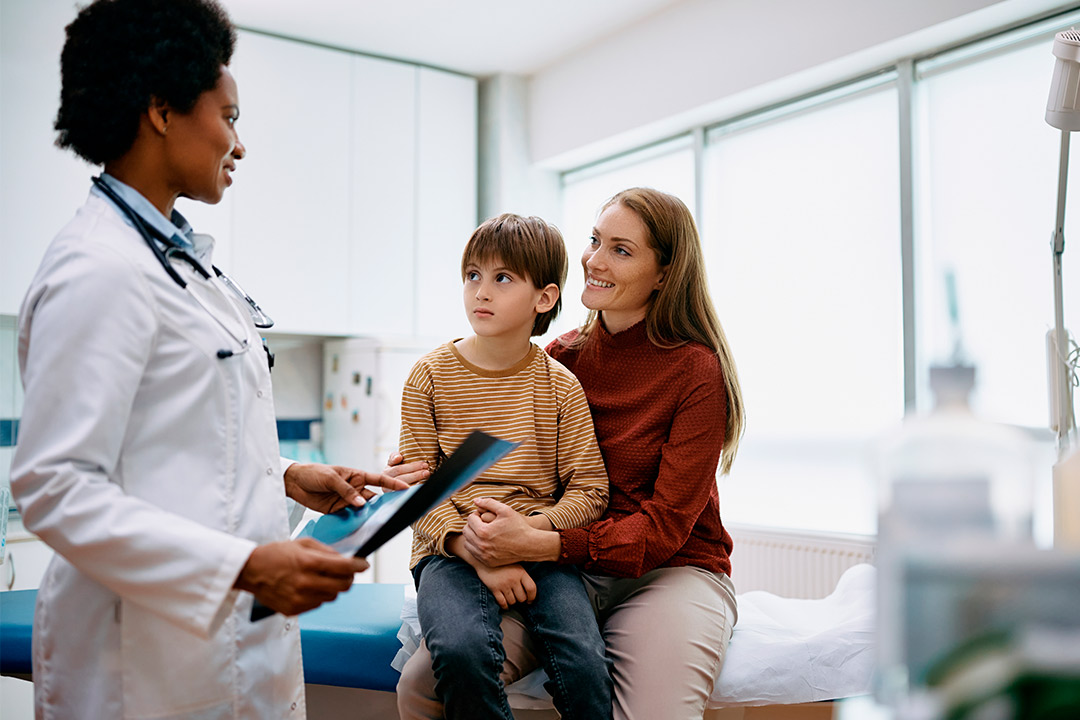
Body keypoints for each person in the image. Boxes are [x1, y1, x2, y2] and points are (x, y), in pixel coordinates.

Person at [8, 1, 425, 717]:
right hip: (141, 667)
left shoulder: (181, 264)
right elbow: (56, 485)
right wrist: (243, 566)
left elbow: (180, 442)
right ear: (162, 109)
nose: (238, 144)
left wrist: (289, 477)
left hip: (229, 649)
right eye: (228, 117)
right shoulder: (99, 269)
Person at [395, 187, 746, 720]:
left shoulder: (696, 371)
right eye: (594, 241)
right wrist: (426, 484)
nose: (594, 261)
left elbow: (665, 527)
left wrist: (539, 540)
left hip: (670, 568)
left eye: (621, 250)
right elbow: (469, 457)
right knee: (423, 683)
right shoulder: (559, 359)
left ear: (664, 274)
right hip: (561, 561)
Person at [398, 213, 612, 720]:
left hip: (539, 546)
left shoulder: (559, 386)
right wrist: (477, 550)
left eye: (502, 278)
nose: (481, 292)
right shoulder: (428, 376)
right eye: (472, 275)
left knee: (583, 662)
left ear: (544, 297)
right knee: (460, 650)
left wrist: (525, 535)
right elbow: (414, 489)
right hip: (448, 551)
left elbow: (591, 489)